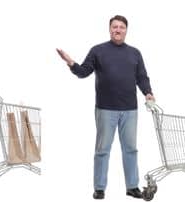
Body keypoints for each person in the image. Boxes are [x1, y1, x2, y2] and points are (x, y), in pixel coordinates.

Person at [54, 15, 153, 200]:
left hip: (130, 109)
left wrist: (148, 92)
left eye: (121, 27)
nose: (118, 30)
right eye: (114, 27)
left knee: (130, 149)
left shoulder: (135, 53)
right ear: (109, 29)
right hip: (106, 109)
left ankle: (132, 186)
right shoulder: (98, 51)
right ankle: (99, 188)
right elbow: (83, 72)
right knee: (102, 150)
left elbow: (142, 77)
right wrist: (71, 63)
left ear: (126, 30)